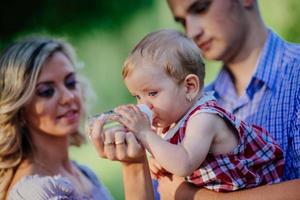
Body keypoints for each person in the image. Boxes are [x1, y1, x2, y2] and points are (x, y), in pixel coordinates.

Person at [153, 0, 300, 199]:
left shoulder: (296, 74)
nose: (192, 32)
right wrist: (133, 163)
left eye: (201, 8)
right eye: (182, 21)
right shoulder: (186, 105)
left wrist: (202, 197)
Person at [108, 29, 284, 192]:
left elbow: (184, 163)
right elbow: (172, 156)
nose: (144, 105)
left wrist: (146, 134)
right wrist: (158, 159)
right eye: (137, 97)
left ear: (189, 87)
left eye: (152, 93)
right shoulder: (172, 119)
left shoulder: (204, 118)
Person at [0, 37, 154, 200]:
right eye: (46, 91)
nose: (68, 97)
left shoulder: (84, 174)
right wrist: (133, 167)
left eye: (71, 82)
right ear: (20, 109)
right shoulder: (34, 193)